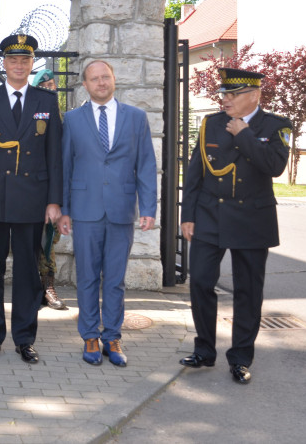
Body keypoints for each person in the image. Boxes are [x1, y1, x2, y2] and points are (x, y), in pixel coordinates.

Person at [179, 68, 292, 385]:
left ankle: (241, 358)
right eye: (223, 94)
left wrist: (243, 134)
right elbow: (194, 174)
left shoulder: (276, 126)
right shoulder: (209, 124)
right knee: (200, 281)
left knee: (248, 292)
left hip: (252, 220)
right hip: (210, 215)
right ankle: (204, 350)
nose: (224, 99)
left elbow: (275, 166)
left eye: (232, 94)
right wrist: (188, 215)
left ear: (253, 96)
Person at [0, 34, 62, 364]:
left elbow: (55, 155)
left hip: (32, 199)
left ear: (32, 63)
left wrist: (54, 200)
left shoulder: (46, 101)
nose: (19, 65)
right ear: (4, 64)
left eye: (25, 60)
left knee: (27, 274)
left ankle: (24, 339)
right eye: (13, 60)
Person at [57, 60, 157, 368]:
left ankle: (112, 337)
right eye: (94, 79)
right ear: (84, 85)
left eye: (106, 77)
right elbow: (65, 167)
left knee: (114, 280)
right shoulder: (72, 120)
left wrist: (149, 208)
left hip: (121, 210)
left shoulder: (136, 118)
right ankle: (89, 335)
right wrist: (64, 210)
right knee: (87, 277)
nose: (101, 82)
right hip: (85, 210)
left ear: (114, 80)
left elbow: (147, 164)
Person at [29, 67, 68, 310]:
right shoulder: (30, 113)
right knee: (28, 242)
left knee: (49, 240)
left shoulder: (61, 116)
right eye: (44, 87)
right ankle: (33, 288)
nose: (49, 90)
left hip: (51, 191)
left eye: (52, 86)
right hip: (30, 188)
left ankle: (48, 287)